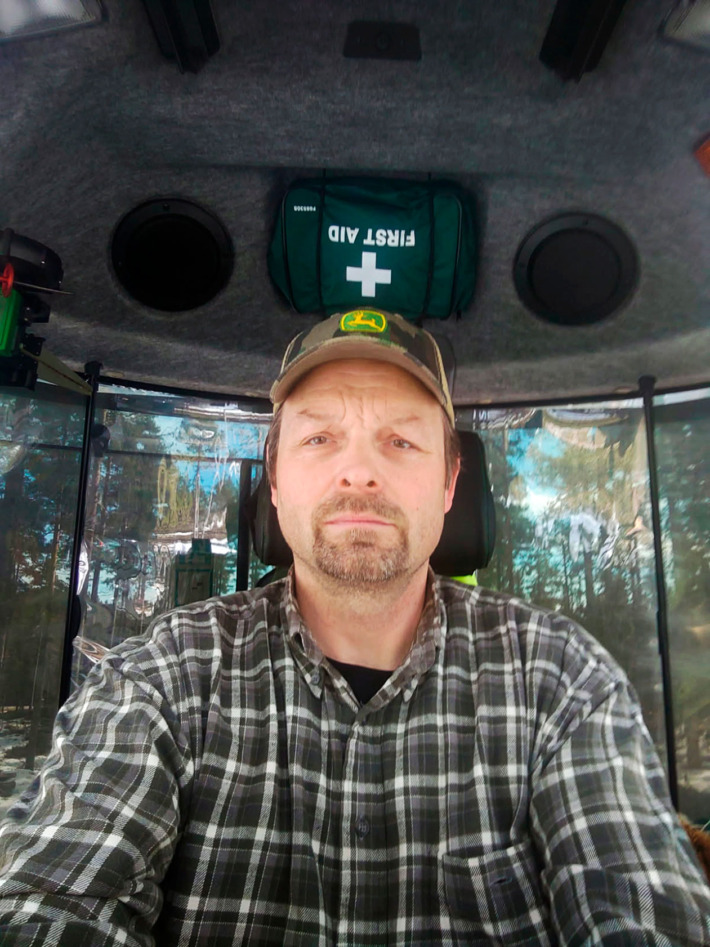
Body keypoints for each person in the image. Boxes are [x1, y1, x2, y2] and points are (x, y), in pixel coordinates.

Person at [1, 309, 709, 946]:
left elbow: (640, 908)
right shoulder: (163, 677)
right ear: (276, 481)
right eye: (320, 437)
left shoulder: (563, 682)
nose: (360, 472)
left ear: (449, 484)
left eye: (400, 440)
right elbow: (51, 903)